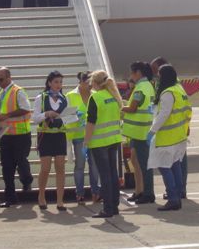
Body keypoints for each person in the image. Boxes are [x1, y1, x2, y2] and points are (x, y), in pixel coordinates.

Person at [0, 67, 33, 207]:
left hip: (21, 134)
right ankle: (10, 198)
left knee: (21, 162)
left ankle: (27, 180)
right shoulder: (3, 92)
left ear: (9, 78)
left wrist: (7, 115)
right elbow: (6, 104)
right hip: (6, 134)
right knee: (7, 167)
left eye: (1, 80)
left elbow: (25, 108)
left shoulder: (18, 91)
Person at [147, 65, 191, 211]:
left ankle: (173, 198)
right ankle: (177, 195)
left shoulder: (167, 93)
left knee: (164, 166)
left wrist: (152, 131)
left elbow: (164, 114)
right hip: (179, 135)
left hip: (167, 137)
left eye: (159, 76)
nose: (158, 79)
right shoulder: (179, 89)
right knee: (175, 165)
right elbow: (187, 111)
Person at [84, 70, 124, 218]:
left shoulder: (95, 97)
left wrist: (86, 142)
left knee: (105, 175)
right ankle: (114, 206)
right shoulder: (113, 96)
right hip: (114, 140)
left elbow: (91, 122)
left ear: (95, 83)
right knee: (113, 173)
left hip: (99, 141)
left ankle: (107, 208)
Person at [121, 62, 156, 204]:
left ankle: (148, 193)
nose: (131, 76)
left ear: (138, 73)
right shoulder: (148, 86)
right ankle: (139, 190)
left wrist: (120, 107)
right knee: (135, 161)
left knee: (143, 163)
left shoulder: (140, 88)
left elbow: (133, 108)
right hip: (140, 130)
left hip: (139, 131)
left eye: (132, 73)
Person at [33, 71, 68, 210]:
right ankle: (41, 196)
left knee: (60, 168)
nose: (59, 85)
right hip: (45, 136)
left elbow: (67, 118)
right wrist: (46, 114)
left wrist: (73, 116)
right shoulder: (40, 98)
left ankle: (60, 201)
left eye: (60, 82)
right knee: (45, 168)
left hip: (60, 135)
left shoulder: (64, 99)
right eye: (56, 82)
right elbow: (35, 118)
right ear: (49, 83)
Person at [65, 72, 101, 204]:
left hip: (94, 135)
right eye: (87, 82)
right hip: (79, 136)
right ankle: (79, 194)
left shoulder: (96, 95)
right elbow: (65, 117)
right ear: (80, 82)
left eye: (91, 83)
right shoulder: (70, 96)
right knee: (80, 165)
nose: (89, 85)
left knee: (95, 166)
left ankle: (95, 193)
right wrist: (75, 116)